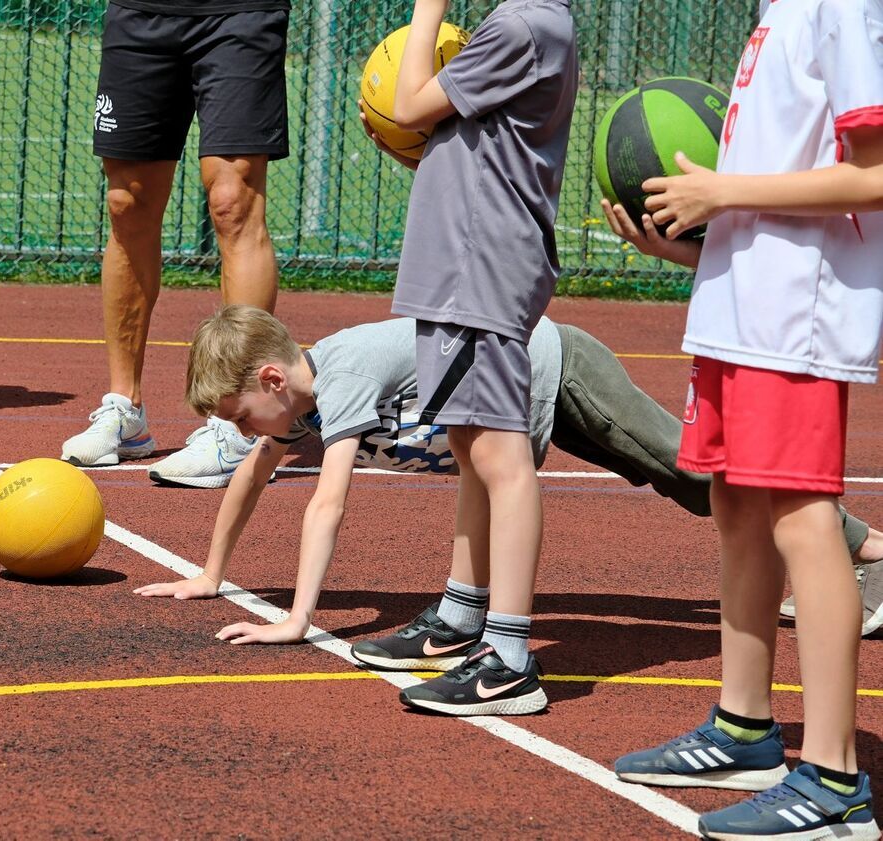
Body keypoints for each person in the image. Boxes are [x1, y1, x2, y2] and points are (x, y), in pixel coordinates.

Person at [133, 307, 883, 649]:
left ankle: (868, 549)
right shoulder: (291, 408)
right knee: (696, 486)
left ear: (271, 376)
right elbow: (251, 474)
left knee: (694, 473)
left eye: (240, 415)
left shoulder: (344, 375)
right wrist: (210, 573)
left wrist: (298, 618)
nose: (240, 433)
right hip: (518, 403)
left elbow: (329, 503)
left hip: (555, 370)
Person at [601, 0, 883, 835]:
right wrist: (696, 244)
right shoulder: (781, 8)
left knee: (804, 521)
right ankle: (744, 726)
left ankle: (834, 783)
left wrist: (722, 191)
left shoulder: (845, 5)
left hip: (793, 314)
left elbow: (874, 173)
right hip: (739, 302)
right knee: (736, 506)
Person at [372, 0, 577, 717]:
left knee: (500, 456)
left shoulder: (524, 26)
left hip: (480, 266)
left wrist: (429, 11)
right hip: (466, 262)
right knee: (471, 443)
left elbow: (409, 103)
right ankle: (462, 617)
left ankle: (510, 658)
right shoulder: (522, 23)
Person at [60, 0, 288, 488]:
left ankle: (239, 423)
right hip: (140, 12)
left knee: (234, 202)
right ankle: (126, 411)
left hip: (239, 11)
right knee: (126, 202)